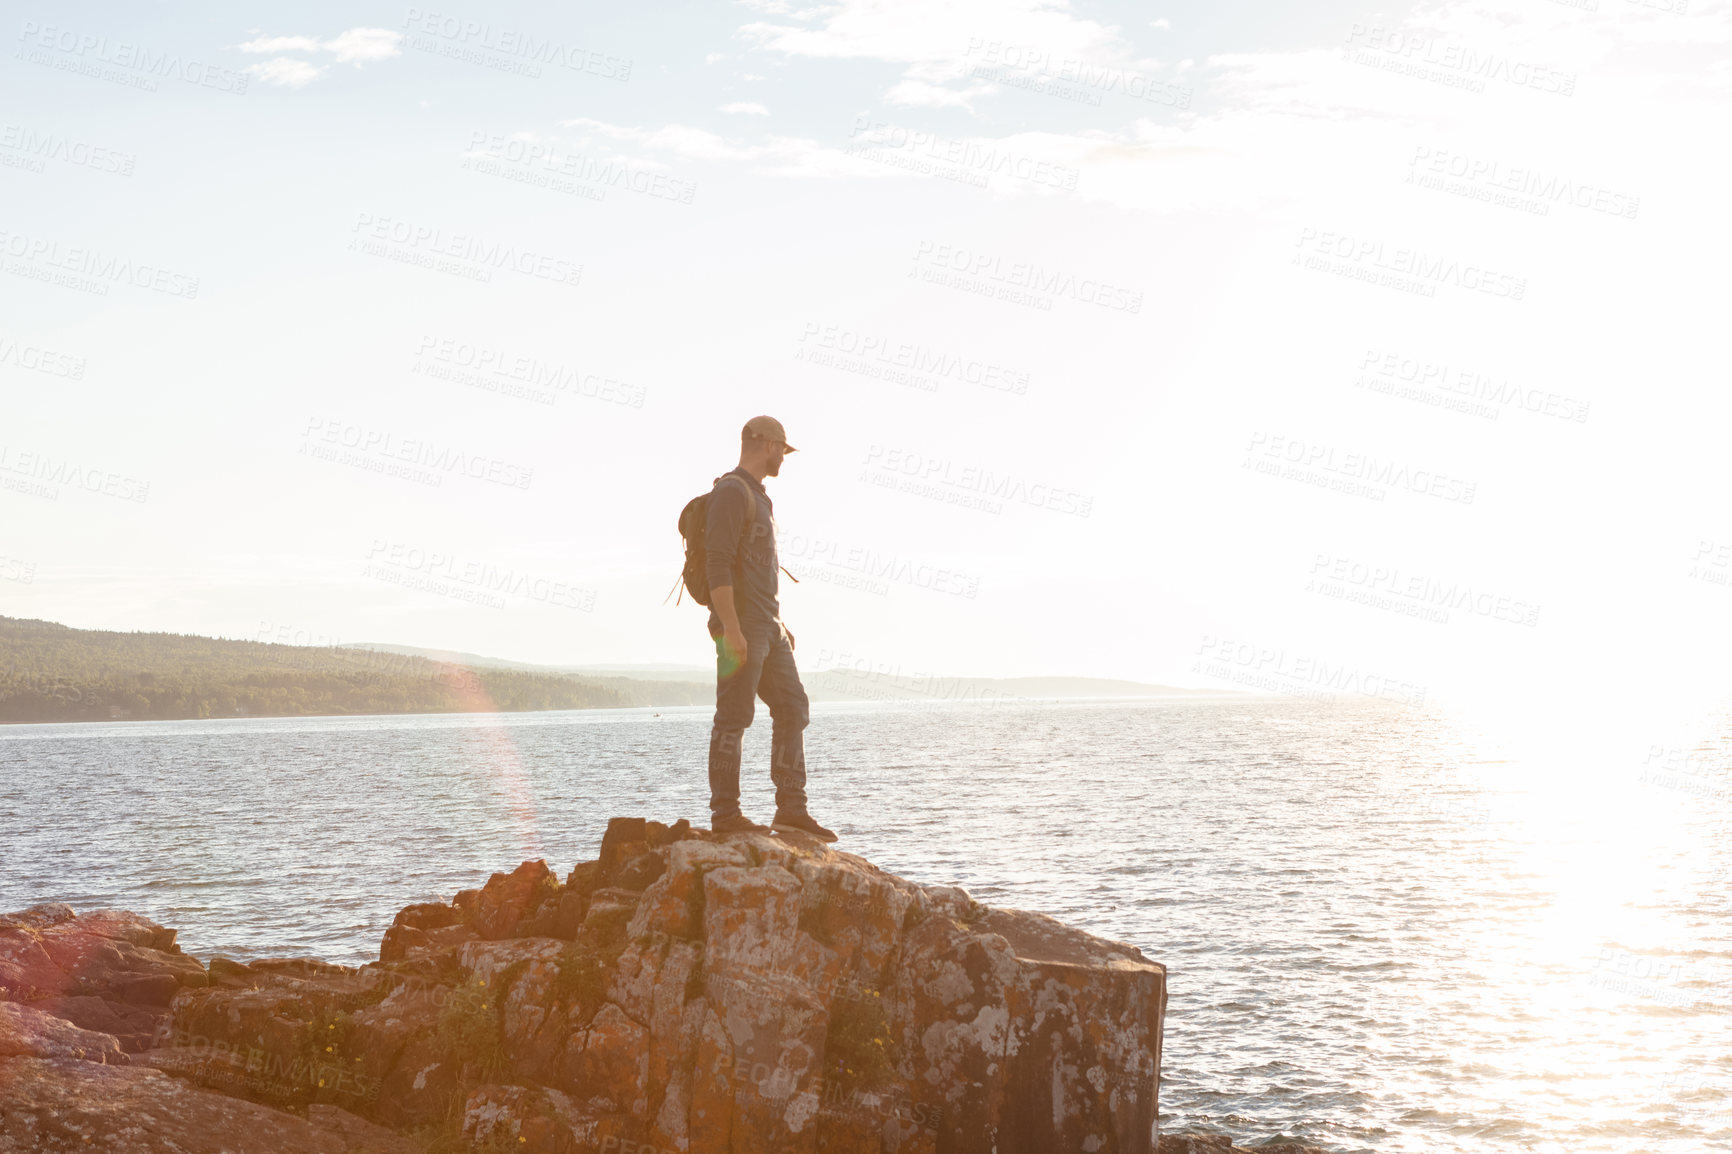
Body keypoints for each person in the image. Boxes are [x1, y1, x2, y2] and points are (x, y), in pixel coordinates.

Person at [703, 416, 837, 841]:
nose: (784, 456)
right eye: (782, 448)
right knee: (733, 718)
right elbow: (717, 565)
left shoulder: (760, 497)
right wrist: (732, 629)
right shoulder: (731, 492)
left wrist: (779, 623)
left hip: (769, 626)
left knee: (793, 707)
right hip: (740, 628)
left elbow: (758, 571)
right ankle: (726, 815)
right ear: (763, 444)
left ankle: (791, 811)